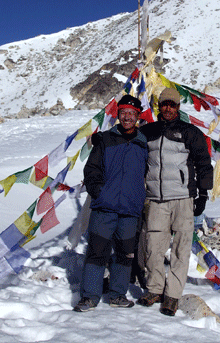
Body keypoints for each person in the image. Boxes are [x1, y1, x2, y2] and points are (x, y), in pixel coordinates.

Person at [137, 87, 213, 316]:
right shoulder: (147, 131)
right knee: (153, 247)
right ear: (159, 106)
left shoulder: (190, 132)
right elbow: (129, 146)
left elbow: (203, 163)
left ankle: (172, 295)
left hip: (183, 198)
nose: (168, 108)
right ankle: (155, 289)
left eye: (173, 104)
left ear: (179, 107)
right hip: (156, 199)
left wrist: (203, 193)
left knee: (181, 249)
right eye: (165, 104)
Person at [74, 94, 148, 312]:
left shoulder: (144, 143)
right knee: (97, 252)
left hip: (130, 209)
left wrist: (138, 196)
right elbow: (92, 169)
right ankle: (89, 296)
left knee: (125, 255)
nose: (127, 117)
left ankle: (117, 294)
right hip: (104, 208)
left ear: (137, 117)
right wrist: (99, 192)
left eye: (132, 114)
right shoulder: (105, 139)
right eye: (123, 112)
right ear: (118, 115)